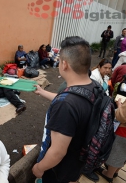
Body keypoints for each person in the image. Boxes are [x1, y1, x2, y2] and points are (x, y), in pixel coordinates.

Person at [32, 36, 96, 182]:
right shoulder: (93, 87)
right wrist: (42, 92)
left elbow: (57, 152)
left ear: (64, 64)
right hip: (79, 161)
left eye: (59, 60)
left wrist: (39, 168)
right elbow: (73, 101)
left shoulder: (65, 105)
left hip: (59, 170)